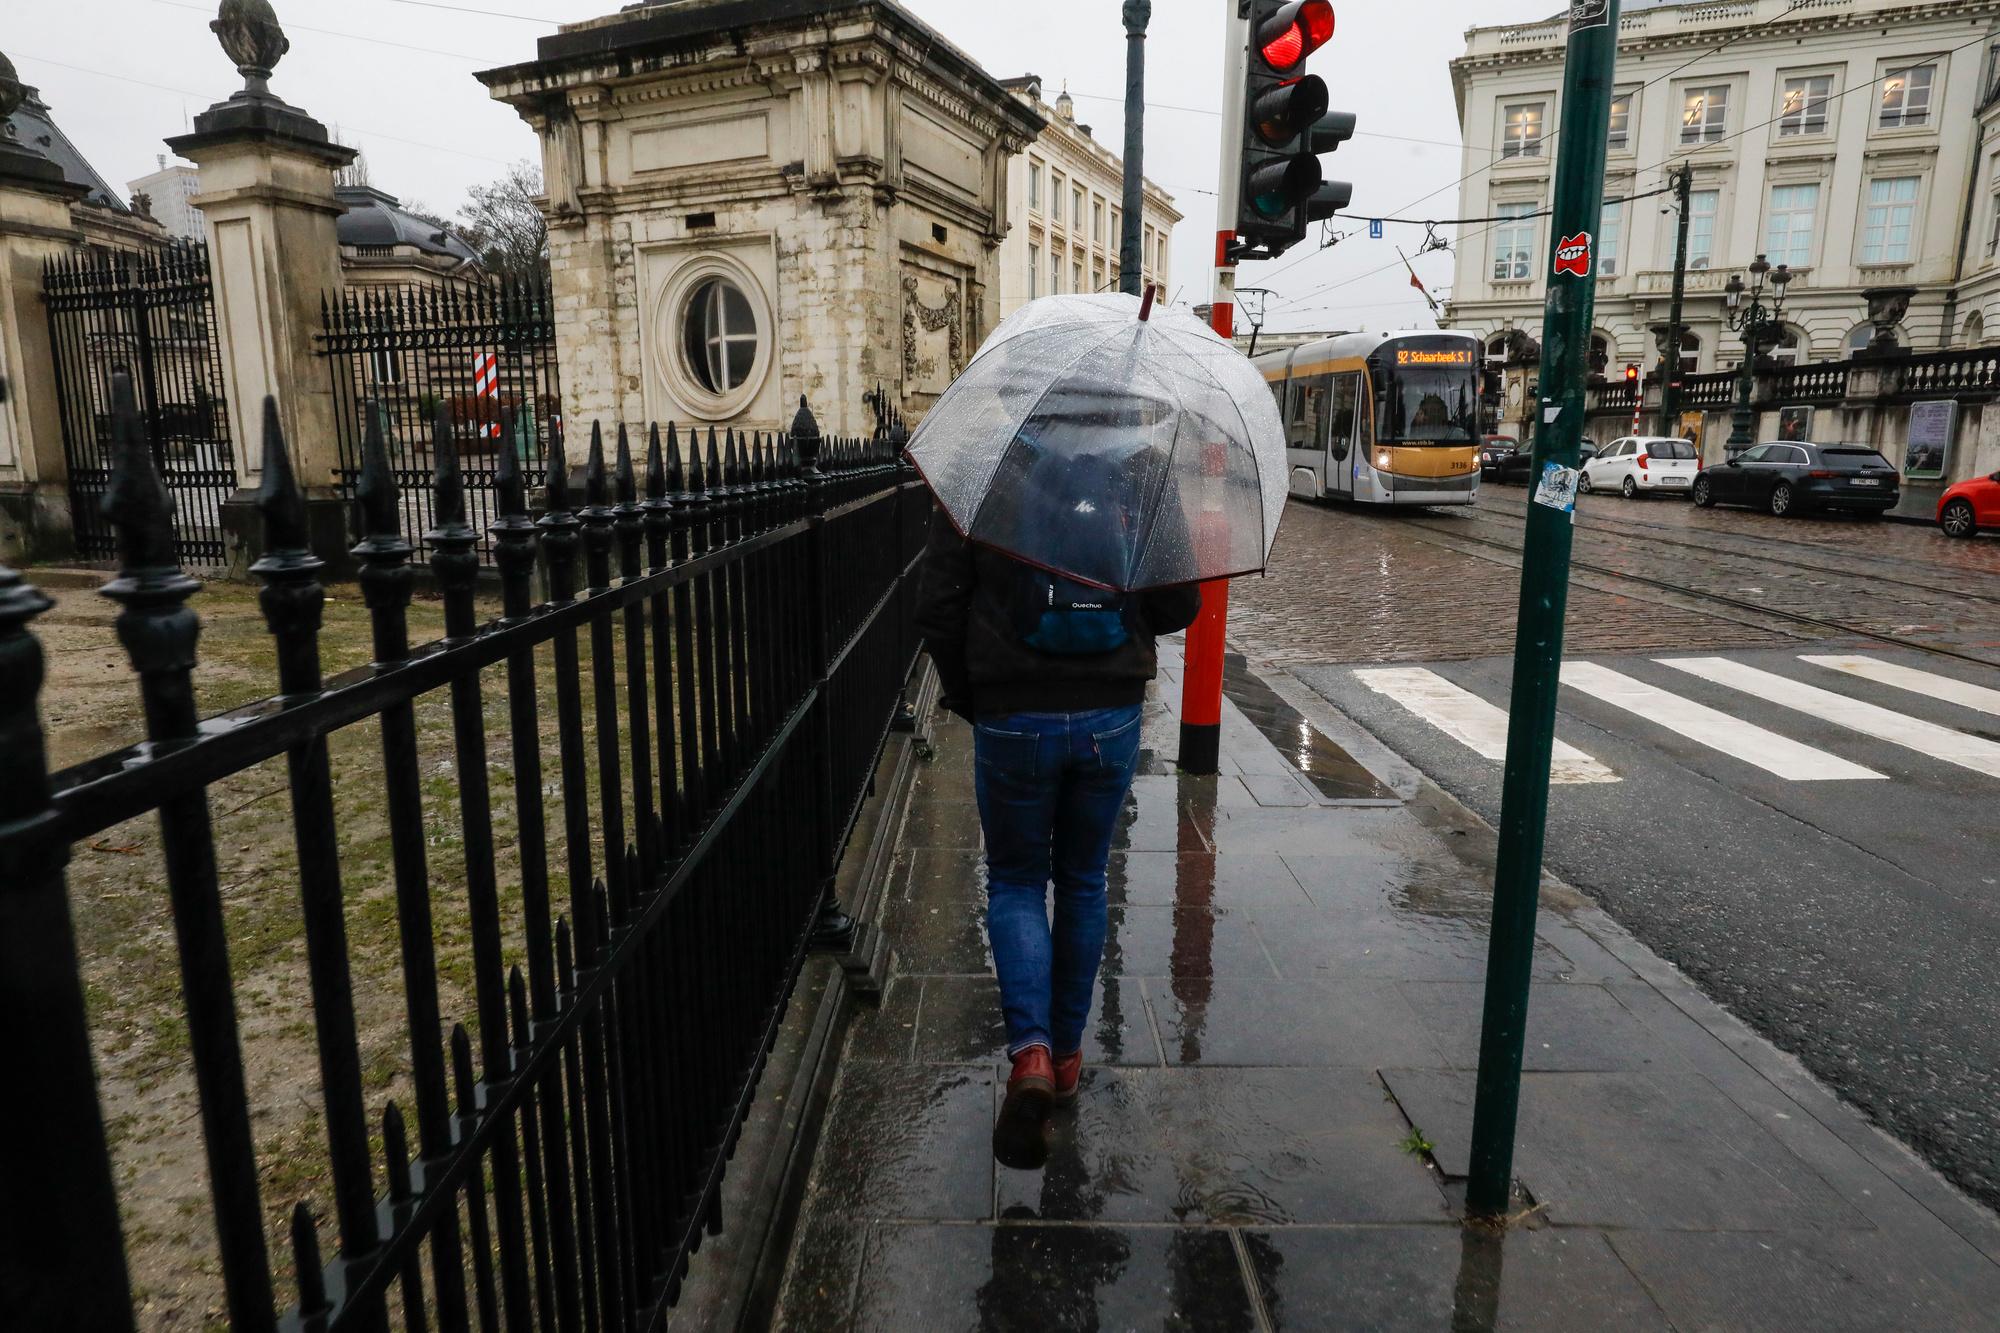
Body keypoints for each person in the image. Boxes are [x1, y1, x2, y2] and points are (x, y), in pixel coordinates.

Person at [914, 484, 1201, 1171]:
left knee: (1015, 880)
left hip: (1012, 710)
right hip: (1109, 707)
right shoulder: (1140, 465)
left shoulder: (983, 467)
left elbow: (937, 605)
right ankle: (1068, 1060)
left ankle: (1032, 1053)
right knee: (1082, 879)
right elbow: (1179, 603)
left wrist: (970, 692)